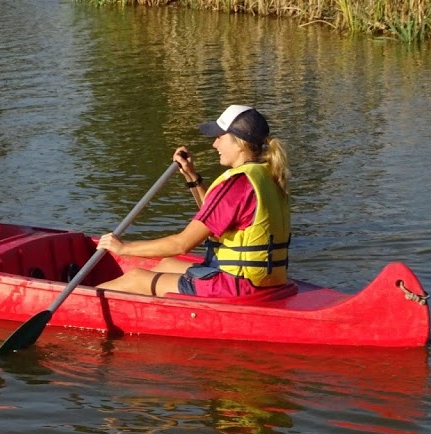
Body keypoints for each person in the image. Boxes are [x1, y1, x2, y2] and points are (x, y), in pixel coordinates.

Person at [96, 104, 290, 298]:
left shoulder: (237, 184)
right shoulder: (266, 175)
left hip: (235, 285)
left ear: (239, 143)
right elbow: (216, 214)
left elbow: (181, 245)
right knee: (167, 264)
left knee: (136, 278)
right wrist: (191, 176)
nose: (215, 144)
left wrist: (123, 248)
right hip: (262, 280)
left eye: (219, 137)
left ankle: (82, 298)